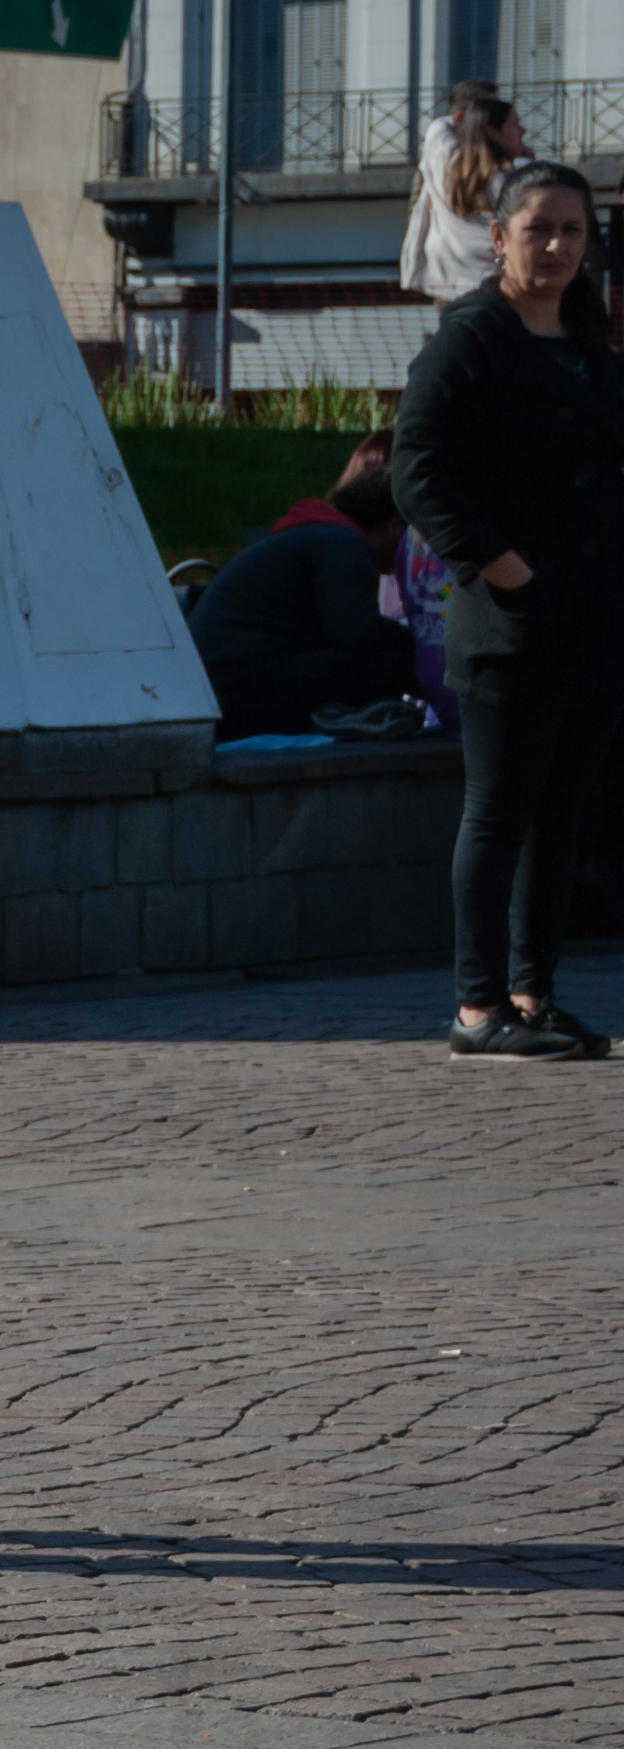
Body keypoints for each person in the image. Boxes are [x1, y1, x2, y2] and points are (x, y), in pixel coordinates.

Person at [393, 161, 624, 1061]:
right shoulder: (473, 338)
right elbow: (417, 470)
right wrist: (504, 569)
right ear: (499, 238)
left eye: (575, 230)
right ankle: (476, 1005)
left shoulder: (590, 337)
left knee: (565, 817)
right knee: (499, 812)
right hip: (510, 625)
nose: (561, 246)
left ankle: (534, 995)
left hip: (595, 622)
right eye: (541, 230)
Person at [188, 443, 418, 740]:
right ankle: (344, 717)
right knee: (401, 659)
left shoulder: (314, 534)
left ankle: (341, 715)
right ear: (395, 526)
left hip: (216, 695)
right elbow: (357, 632)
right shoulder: (343, 545)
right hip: (243, 694)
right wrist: (416, 640)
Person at [405, 80, 524, 306]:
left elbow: (440, 127)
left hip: (448, 286)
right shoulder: (508, 181)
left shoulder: (441, 154)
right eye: (486, 109)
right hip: (497, 285)